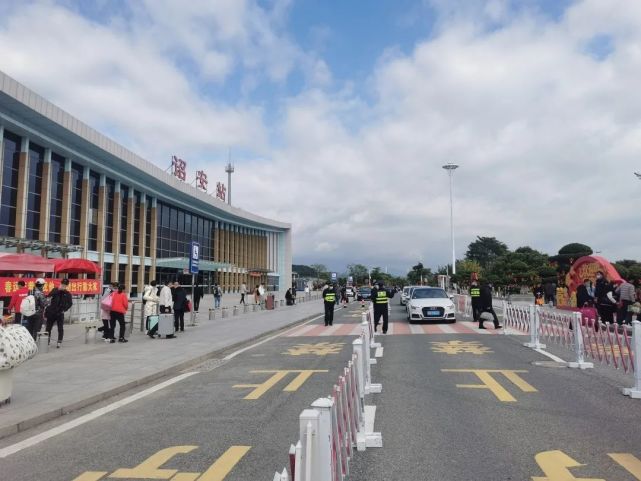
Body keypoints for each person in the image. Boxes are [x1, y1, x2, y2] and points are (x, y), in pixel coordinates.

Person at [45, 278, 73, 348]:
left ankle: (59, 341)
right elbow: (49, 296)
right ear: (60, 284)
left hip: (60, 313)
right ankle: (47, 342)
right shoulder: (55, 290)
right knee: (48, 328)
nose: (63, 286)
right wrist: (58, 290)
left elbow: (70, 303)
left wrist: (65, 309)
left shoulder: (67, 294)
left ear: (67, 286)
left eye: (65, 285)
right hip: (52, 312)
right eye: (62, 284)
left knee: (60, 328)